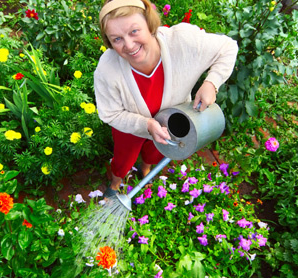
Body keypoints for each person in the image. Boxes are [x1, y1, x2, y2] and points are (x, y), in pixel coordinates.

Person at [94, 0, 238, 197]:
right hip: (130, 124)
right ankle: (116, 181)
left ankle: (146, 169)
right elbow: (111, 114)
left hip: (169, 119)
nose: (129, 45)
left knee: (156, 150)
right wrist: (146, 125)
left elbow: (228, 48)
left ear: (149, 23)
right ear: (109, 42)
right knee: (124, 157)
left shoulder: (181, 42)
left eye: (134, 31)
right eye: (117, 39)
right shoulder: (108, 68)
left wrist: (211, 83)